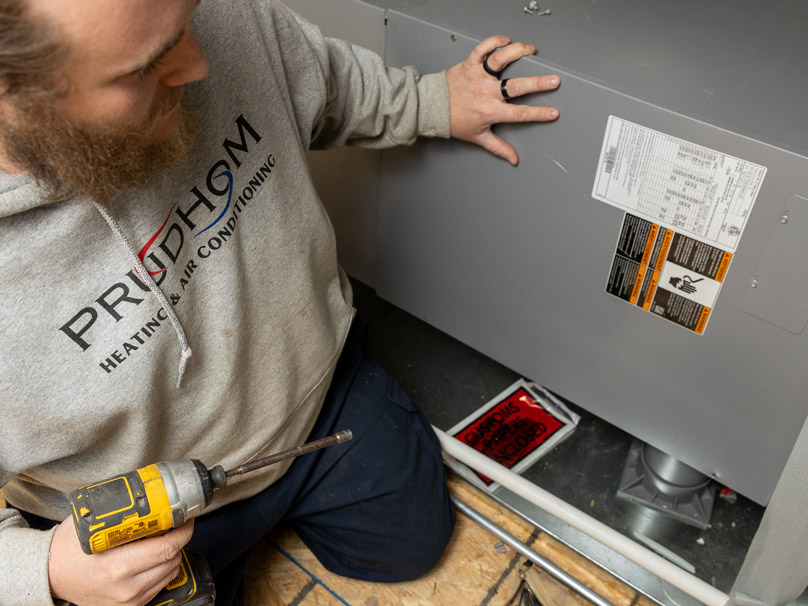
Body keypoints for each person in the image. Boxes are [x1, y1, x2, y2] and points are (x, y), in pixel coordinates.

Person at [0, 0, 560, 604]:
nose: (200, 63)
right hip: (140, 520)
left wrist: (430, 101)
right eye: (145, 65)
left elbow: (322, 78)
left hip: (314, 402)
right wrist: (46, 571)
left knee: (411, 544)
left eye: (188, 20)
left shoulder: (207, 19)